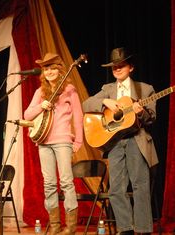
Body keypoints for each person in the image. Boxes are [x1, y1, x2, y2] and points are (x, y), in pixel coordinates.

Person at [82, 47, 157, 234]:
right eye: (114, 66)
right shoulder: (107, 89)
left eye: (121, 65)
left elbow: (152, 118)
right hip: (115, 142)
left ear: (130, 67)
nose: (117, 68)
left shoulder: (145, 89)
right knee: (116, 187)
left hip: (136, 140)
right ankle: (125, 229)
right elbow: (86, 104)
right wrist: (104, 102)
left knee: (140, 184)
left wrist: (142, 112)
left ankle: (143, 229)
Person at [23, 52, 83, 235]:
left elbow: (78, 116)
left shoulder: (69, 89)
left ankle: (71, 227)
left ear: (59, 69)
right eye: (45, 68)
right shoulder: (40, 92)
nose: (48, 71)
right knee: (49, 184)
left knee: (66, 182)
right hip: (44, 142)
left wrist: (78, 140)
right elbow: (27, 115)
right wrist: (40, 106)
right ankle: (55, 226)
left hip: (63, 140)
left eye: (52, 68)